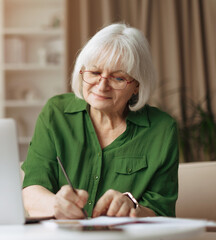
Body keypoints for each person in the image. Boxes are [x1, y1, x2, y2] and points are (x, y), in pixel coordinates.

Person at [21, 23, 179, 219]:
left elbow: (161, 210)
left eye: (118, 78)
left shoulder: (162, 129)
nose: (102, 86)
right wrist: (56, 205)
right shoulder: (56, 113)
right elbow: (32, 190)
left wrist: (132, 209)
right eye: (95, 73)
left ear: (137, 85)